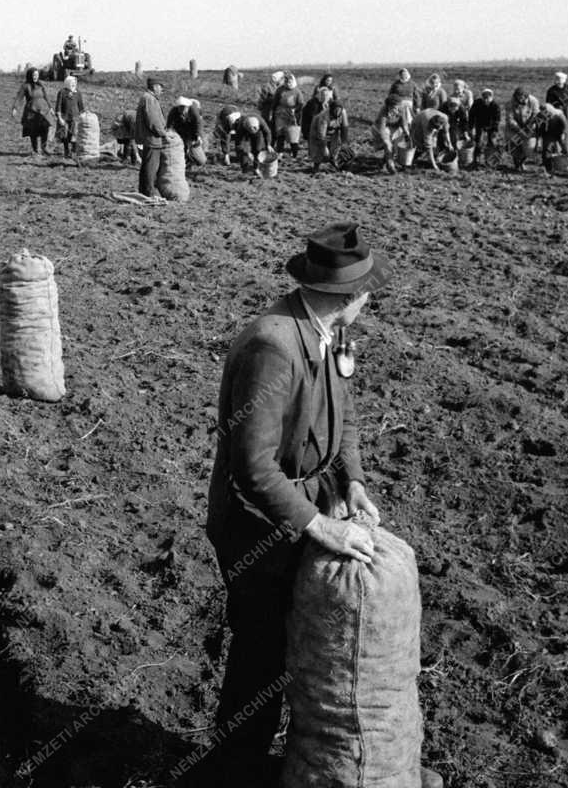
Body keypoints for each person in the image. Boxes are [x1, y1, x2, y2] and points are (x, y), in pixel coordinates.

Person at [206, 222, 389, 785]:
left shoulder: (325, 333)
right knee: (260, 652)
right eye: (365, 294)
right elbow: (253, 467)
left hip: (300, 501)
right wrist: (320, 526)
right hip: (257, 523)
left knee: (285, 645)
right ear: (345, 297)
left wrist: (352, 481)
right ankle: (233, 771)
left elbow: (344, 413)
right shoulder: (274, 346)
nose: (367, 302)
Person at [135, 77, 168, 196]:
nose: (162, 90)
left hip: (149, 138)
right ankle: (149, 192)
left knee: (146, 166)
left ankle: (144, 191)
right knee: (151, 167)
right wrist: (163, 134)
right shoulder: (149, 99)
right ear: (154, 87)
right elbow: (153, 121)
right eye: (160, 87)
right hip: (152, 139)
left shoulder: (147, 98)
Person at [11, 67, 53, 156]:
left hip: (43, 110)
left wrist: (51, 108)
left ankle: (44, 147)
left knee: (45, 128)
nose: (35, 77)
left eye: (37, 75)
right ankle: (35, 150)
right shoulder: (25, 86)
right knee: (33, 131)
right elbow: (19, 97)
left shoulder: (41, 85)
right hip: (31, 111)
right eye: (34, 75)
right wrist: (15, 108)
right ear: (30, 75)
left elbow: (46, 97)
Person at [307, 88, 349, 173]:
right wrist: (324, 147)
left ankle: (335, 165)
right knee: (319, 151)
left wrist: (344, 142)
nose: (337, 112)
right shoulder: (324, 116)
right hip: (317, 131)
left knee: (335, 149)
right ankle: (316, 167)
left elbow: (344, 128)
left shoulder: (343, 113)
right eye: (335, 110)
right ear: (332, 109)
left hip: (333, 131)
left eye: (339, 110)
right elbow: (321, 134)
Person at [372, 95, 411, 174]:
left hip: (395, 128)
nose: (395, 109)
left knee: (395, 146)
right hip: (381, 128)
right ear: (388, 106)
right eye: (392, 107)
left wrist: (407, 134)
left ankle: (384, 162)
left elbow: (404, 123)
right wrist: (386, 140)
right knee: (388, 145)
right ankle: (391, 166)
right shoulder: (384, 111)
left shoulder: (401, 109)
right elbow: (382, 128)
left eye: (396, 107)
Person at [504, 86, 539, 171]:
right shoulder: (510, 103)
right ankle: (517, 164)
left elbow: (536, 115)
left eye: (522, 97)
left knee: (529, 147)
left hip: (529, 127)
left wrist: (529, 127)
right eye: (518, 97)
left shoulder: (533, 101)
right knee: (513, 145)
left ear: (526, 96)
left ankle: (522, 162)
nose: (520, 99)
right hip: (514, 128)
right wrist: (519, 130)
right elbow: (510, 119)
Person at [270, 73, 305, 157]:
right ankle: (279, 152)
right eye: (286, 81)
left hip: (292, 114)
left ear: (293, 81)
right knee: (280, 133)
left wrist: (296, 111)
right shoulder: (280, 90)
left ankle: (294, 153)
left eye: (290, 82)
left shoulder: (297, 91)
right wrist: (272, 113)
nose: (288, 83)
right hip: (281, 113)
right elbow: (275, 102)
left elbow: (300, 104)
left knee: (293, 134)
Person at [54, 75, 86, 158]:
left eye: (75, 83)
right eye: (72, 83)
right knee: (65, 135)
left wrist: (83, 115)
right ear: (67, 83)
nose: (74, 84)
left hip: (75, 118)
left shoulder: (78, 93)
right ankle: (66, 150)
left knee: (75, 135)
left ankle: (73, 151)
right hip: (65, 117)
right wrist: (59, 117)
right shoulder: (62, 92)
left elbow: (81, 106)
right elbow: (58, 106)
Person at [300, 74, 340, 138]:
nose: (329, 82)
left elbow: (337, 99)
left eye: (330, 81)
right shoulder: (318, 87)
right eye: (327, 80)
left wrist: (332, 103)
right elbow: (314, 97)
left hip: (328, 106)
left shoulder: (333, 88)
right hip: (318, 106)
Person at [166, 96, 205, 162]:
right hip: (181, 130)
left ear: (187, 107)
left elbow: (198, 123)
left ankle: (193, 157)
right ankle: (184, 159)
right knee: (182, 147)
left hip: (193, 131)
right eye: (180, 108)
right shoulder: (173, 111)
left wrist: (198, 136)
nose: (181, 110)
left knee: (200, 160)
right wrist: (169, 134)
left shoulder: (194, 110)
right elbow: (169, 125)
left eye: (183, 108)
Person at [537, 102, 568, 173]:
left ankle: (566, 166)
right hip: (550, 133)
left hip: (562, 133)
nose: (545, 113)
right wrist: (539, 138)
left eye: (546, 111)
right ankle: (548, 168)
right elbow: (540, 127)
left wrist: (563, 135)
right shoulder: (541, 115)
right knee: (546, 148)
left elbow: (565, 126)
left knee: (565, 148)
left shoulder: (559, 114)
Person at [469, 88, 501, 165]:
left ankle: (490, 160)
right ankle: (476, 160)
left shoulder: (495, 106)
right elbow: (471, 115)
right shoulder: (477, 103)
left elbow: (497, 119)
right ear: (482, 98)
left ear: (491, 98)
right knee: (478, 142)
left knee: (492, 143)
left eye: (488, 98)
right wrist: (471, 127)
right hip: (479, 124)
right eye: (484, 98)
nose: (486, 100)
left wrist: (495, 131)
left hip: (491, 125)